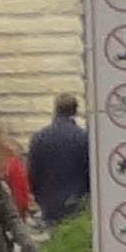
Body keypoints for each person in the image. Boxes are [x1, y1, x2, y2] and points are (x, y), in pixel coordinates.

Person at [26, 96, 93, 227]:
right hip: (78, 199)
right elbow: (90, 170)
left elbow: (33, 171)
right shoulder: (83, 137)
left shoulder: (40, 137)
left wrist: (37, 195)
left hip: (49, 201)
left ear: (56, 110)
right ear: (75, 111)